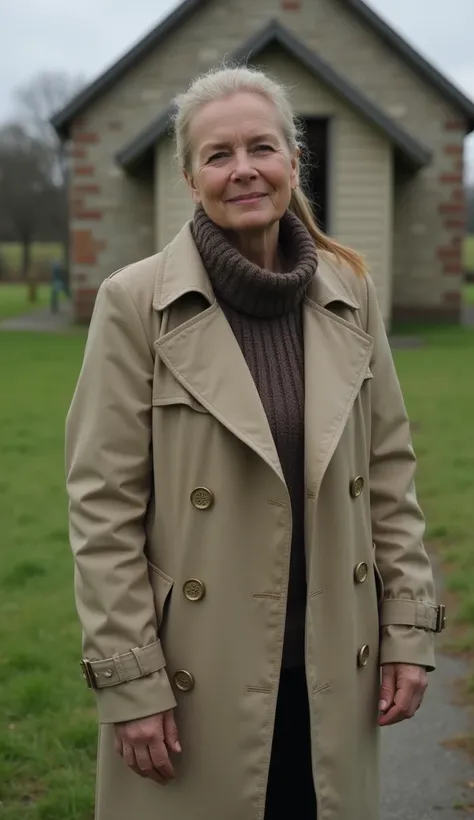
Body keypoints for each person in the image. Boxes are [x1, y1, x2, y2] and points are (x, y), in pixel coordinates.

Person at [65, 66, 446, 820]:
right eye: (218, 154)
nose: (243, 169)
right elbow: (101, 509)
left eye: (261, 147)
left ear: (292, 163)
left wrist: (406, 629)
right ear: (189, 176)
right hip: (194, 675)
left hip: (333, 663)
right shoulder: (134, 303)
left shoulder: (351, 291)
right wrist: (130, 679)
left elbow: (389, 473)